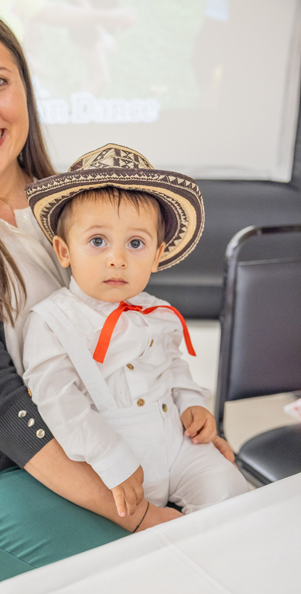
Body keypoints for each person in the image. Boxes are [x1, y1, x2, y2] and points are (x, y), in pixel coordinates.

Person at [0, 3, 238, 591]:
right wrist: (140, 514)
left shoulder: (76, 207)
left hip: (97, 443)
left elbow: (125, 335)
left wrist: (181, 433)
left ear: (25, 91)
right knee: (167, 577)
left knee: (238, 544)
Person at [23, 143, 249, 518]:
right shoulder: (51, 320)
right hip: (114, 458)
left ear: (157, 255)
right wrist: (109, 457)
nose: (117, 257)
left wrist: (190, 403)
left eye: (136, 243)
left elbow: (173, 365)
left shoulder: (155, 311)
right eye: (97, 241)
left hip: (176, 444)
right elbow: (58, 401)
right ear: (64, 251)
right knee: (126, 545)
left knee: (230, 492)